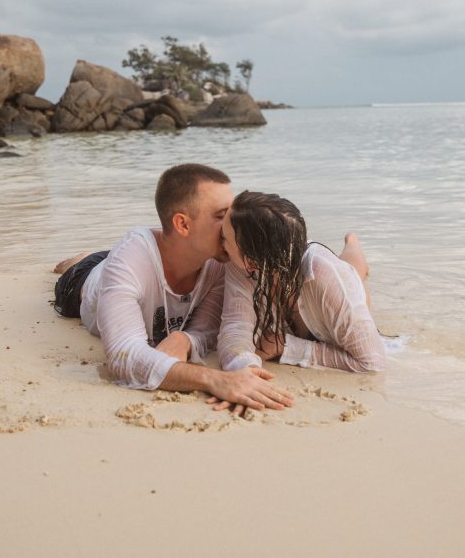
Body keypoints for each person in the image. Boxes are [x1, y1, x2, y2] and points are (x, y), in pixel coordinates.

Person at [53, 164, 295, 412]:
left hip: (166, 251)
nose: (233, 224)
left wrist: (185, 339)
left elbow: (209, 326)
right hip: (84, 281)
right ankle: (82, 258)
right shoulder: (129, 261)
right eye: (221, 215)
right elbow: (123, 355)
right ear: (183, 224)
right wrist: (215, 380)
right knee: (84, 265)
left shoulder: (224, 257)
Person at [217, 190, 386, 379]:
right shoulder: (240, 265)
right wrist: (245, 366)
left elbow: (373, 362)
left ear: (252, 262)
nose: (220, 243)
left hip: (330, 277)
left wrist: (285, 346)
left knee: (355, 273)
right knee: (346, 271)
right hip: (291, 263)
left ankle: (352, 241)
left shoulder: (328, 278)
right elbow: (236, 325)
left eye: (224, 238)